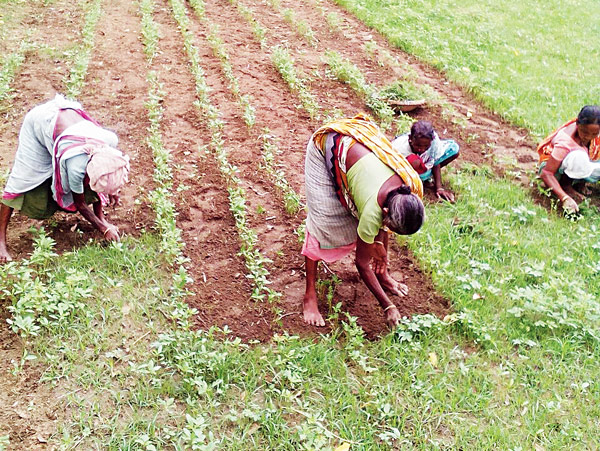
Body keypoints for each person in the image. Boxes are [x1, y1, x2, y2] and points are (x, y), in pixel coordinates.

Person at [303, 114, 425, 328]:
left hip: (355, 152)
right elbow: (361, 263)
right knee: (322, 225)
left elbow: (382, 223)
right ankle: (310, 295)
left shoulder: (409, 187)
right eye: (387, 225)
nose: (386, 230)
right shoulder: (372, 211)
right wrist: (388, 306)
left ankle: (384, 277)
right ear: (384, 211)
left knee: (365, 227)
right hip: (327, 148)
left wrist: (379, 248)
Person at [0, 94, 130, 263]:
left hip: (69, 124)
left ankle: (101, 217)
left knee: (96, 182)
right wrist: (103, 229)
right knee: (21, 180)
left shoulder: (109, 143)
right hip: (40, 123)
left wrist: (112, 189)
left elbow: (107, 171)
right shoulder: (76, 166)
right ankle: (1, 241)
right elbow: (80, 204)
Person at [537, 105, 600, 213]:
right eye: (584, 132)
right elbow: (546, 173)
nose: (588, 137)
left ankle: (580, 183)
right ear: (577, 124)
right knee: (578, 158)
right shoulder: (565, 141)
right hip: (555, 170)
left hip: (580, 163)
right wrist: (564, 198)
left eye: (594, 134)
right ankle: (565, 186)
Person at [391, 120, 459, 202]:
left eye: (426, 146)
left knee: (454, 149)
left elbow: (436, 162)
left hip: (424, 164)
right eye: (418, 145)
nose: (422, 149)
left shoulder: (434, 142)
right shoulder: (400, 148)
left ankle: (426, 176)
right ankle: (416, 179)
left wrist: (439, 188)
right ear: (410, 139)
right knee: (415, 161)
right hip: (405, 168)